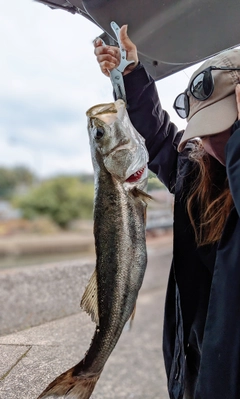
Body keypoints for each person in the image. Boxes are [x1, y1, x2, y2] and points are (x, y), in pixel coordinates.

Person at [94, 26, 240, 399]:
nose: (207, 143)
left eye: (223, 129)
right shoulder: (200, 168)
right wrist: (131, 75)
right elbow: (158, 138)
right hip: (196, 366)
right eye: (201, 130)